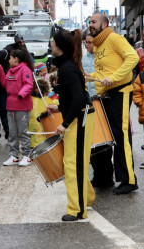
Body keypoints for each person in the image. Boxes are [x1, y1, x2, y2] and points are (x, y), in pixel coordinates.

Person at [87, 12, 140, 194]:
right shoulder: (98, 45)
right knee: (107, 137)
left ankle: (129, 180)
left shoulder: (114, 38)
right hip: (107, 95)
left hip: (121, 92)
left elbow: (133, 58)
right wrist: (90, 77)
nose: (91, 24)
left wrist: (115, 77)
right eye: (89, 22)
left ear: (105, 24)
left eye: (94, 22)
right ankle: (104, 178)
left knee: (121, 136)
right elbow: (105, 73)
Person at [46, 28, 95, 221]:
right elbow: (73, 98)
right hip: (78, 116)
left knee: (73, 164)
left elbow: (80, 99)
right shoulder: (66, 66)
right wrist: (59, 108)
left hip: (79, 118)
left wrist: (64, 123)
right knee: (76, 161)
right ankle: (88, 198)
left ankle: (77, 209)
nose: (50, 44)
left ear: (59, 46)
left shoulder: (68, 69)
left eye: (53, 41)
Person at [0, 49, 34, 167]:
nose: (9, 60)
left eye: (10, 58)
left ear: (16, 59)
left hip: (22, 105)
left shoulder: (25, 69)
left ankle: (27, 156)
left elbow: (29, 84)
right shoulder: (10, 70)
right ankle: (14, 156)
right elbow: (5, 84)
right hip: (10, 105)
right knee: (12, 132)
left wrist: (21, 94)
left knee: (23, 132)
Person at [28, 77, 57, 149]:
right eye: (36, 88)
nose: (38, 90)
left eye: (40, 88)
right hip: (32, 121)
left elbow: (54, 104)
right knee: (34, 135)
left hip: (42, 121)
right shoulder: (30, 98)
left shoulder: (46, 99)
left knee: (42, 133)